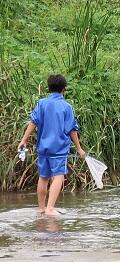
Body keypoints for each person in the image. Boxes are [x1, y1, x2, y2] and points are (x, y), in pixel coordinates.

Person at [17, 74, 85, 216]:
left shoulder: (42, 103)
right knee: (58, 176)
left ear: (49, 88)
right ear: (63, 89)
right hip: (59, 149)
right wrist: (79, 149)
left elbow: (33, 122)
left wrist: (23, 140)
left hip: (43, 148)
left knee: (43, 177)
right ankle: (50, 209)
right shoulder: (66, 107)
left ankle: (41, 208)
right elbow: (72, 129)